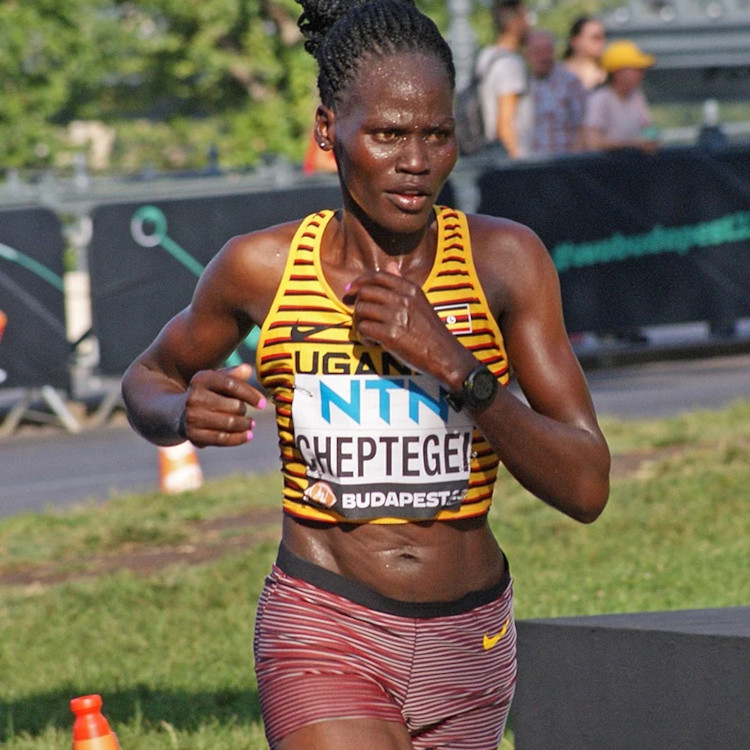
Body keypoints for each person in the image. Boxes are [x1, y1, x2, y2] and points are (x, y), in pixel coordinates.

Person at [121, 0, 610, 747]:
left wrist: (459, 368)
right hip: (324, 624)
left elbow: (586, 487)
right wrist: (181, 412)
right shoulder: (262, 268)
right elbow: (148, 377)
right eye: (387, 135)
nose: (415, 162)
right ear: (328, 132)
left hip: (471, 641)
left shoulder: (505, 262)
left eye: (436, 135)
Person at [583, 39, 659, 154]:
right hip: (605, 169)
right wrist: (634, 145)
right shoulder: (600, 99)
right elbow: (593, 142)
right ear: (618, 73)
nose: (641, 74)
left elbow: (648, 128)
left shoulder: (637, 97)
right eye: (636, 69)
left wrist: (652, 140)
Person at [477, 0, 532, 159]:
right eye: (525, 17)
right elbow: (505, 123)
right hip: (510, 160)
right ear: (514, 23)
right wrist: (515, 166)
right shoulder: (511, 64)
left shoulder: (487, 56)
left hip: (490, 153)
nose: (529, 24)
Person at [522, 29, 587, 157]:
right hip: (530, 165)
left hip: (562, 163)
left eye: (547, 51)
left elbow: (582, 126)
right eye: (537, 52)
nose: (543, 57)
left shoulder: (570, 82)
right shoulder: (522, 82)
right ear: (527, 54)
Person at [563, 15, 607, 92]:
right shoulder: (557, 74)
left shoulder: (608, 75)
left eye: (602, 37)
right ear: (575, 41)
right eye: (595, 37)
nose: (602, 42)